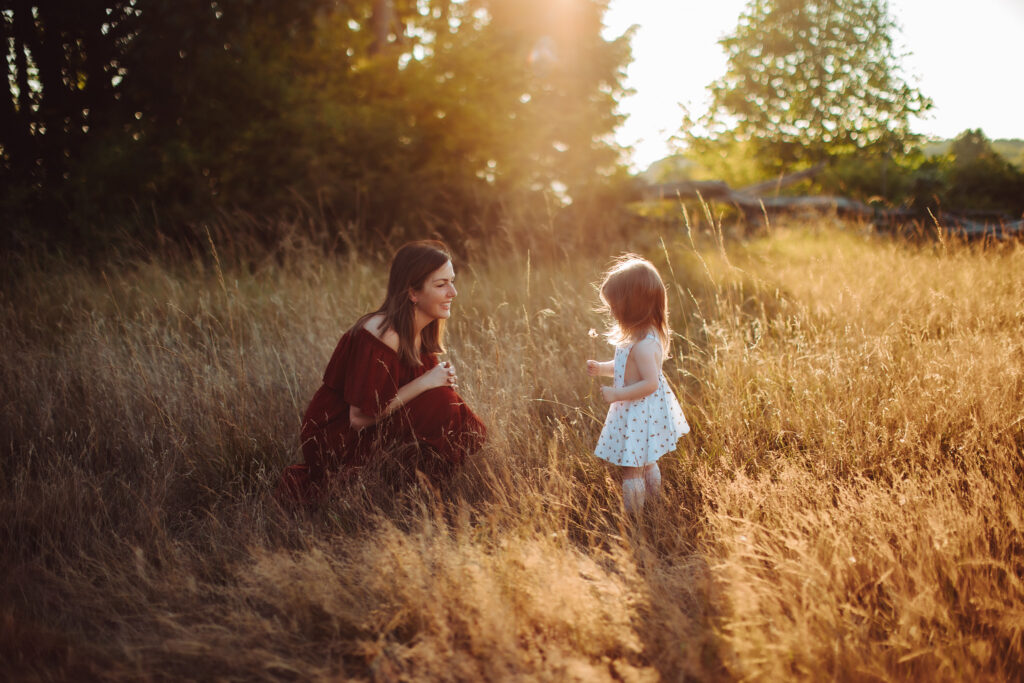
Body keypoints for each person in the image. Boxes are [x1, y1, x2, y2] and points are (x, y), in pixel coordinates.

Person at [277, 240, 486, 503]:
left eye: (452, 281)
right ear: (413, 293)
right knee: (441, 403)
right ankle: (382, 494)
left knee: (453, 411)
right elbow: (360, 418)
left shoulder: (419, 332)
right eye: (441, 284)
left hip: (369, 428)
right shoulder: (383, 332)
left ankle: (419, 497)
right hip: (336, 438)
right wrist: (426, 383)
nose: (453, 292)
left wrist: (436, 383)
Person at [586, 255, 689, 514]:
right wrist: (602, 368)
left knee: (632, 467)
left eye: (614, 307)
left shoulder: (644, 346)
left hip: (638, 413)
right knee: (647, 459)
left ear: (632, 307)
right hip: (641, 411)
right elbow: (624, 366)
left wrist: (617, 393)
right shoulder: (638, 337)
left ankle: (636, 518)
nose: (611, 312)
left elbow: (650, 383)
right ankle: (655, 505)